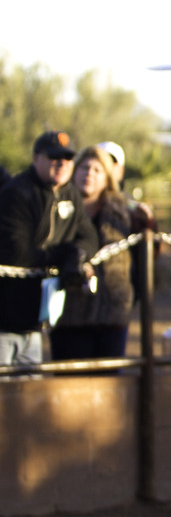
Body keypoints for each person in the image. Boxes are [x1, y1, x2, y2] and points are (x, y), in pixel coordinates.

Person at [0, 131, 99, 366]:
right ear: (36, 159)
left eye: (67, 158)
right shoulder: (17, 194)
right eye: (54, 157)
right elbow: (17, 254)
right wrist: (64, 256)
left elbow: (89, 236)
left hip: (35, 323)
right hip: (4, 319)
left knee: (29, 394)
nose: (62, 163)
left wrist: (79, 254)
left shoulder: (70, 194)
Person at [48, 146, 135, 360]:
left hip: (111, 316)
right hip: (68, 315)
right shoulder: (56, 208)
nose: (90, 174)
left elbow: (146, 258)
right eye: (85, 168)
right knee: (69, 384)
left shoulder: (125, 213)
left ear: (107, 177)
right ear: (74, 172)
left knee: (110, 384)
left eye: (97, 170)